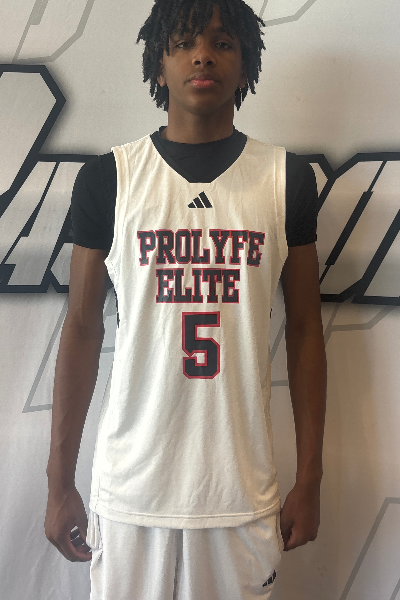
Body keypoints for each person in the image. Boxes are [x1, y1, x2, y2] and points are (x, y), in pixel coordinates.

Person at [44, 0, 327, 598]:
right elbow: (82, 328)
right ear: (159, 62)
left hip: (240, 494)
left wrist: (311, 478)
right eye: (184, 42)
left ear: (245, 63)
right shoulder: (110, 178)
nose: (203, 56)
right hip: (131, 493)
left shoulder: (286, 179)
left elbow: (306, 329)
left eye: (222, 43)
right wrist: (58, 480)